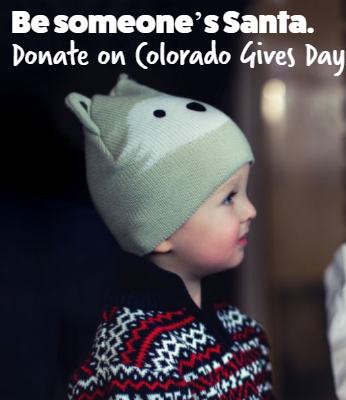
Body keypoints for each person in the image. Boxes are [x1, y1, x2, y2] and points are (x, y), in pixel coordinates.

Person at [64, 74, 273, 399]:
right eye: (230, 197)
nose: (250, 210)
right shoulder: (138, 361)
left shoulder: (244, 332)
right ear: (158, 229)